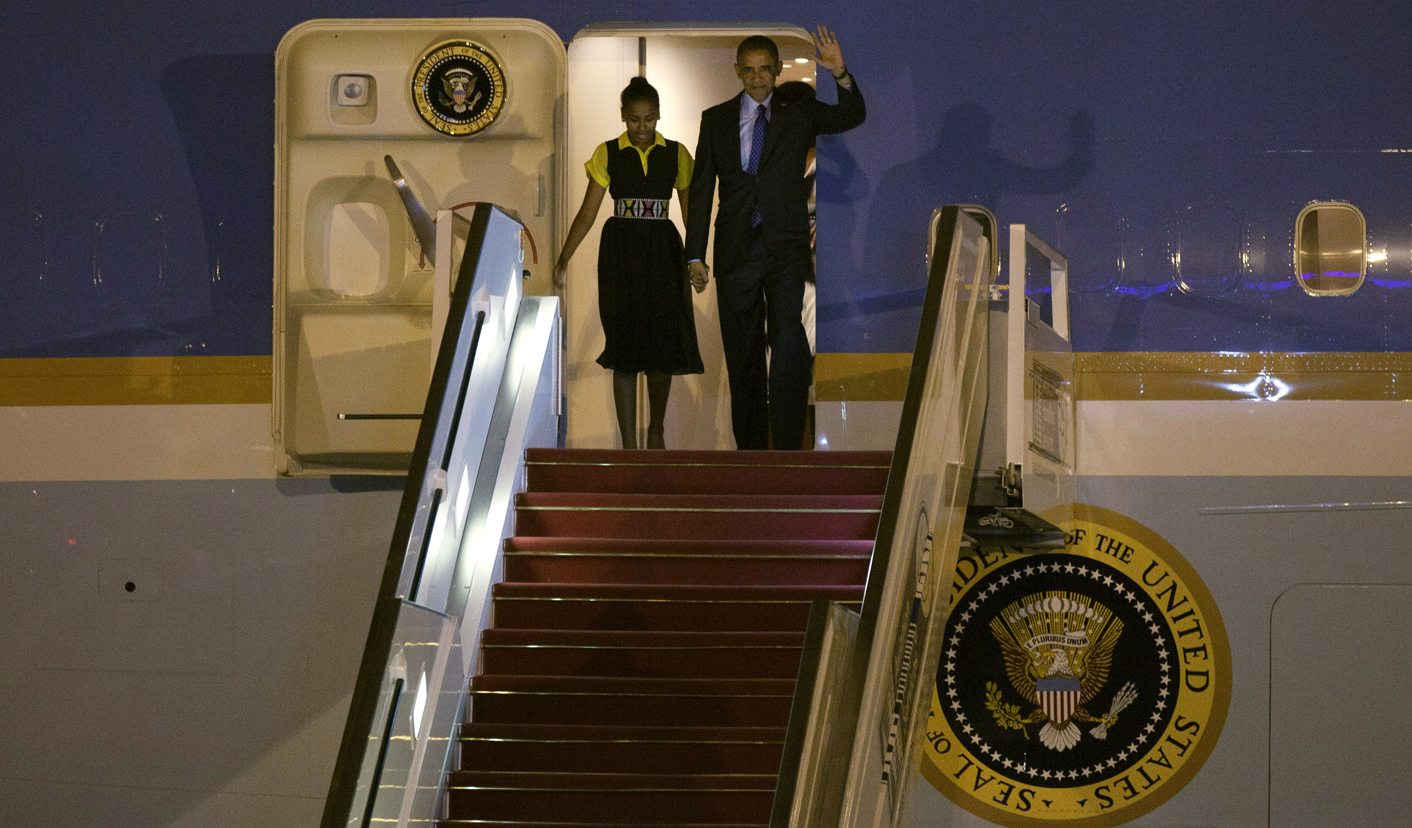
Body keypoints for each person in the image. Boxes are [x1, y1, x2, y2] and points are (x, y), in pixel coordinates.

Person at [685, 26, 865, 451]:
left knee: (788, 338)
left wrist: (840, 73)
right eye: (749, 71)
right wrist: (695, 254)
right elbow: (701, 188)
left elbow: (850, 116)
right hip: (735, 249)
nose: (757, 78)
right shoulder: (715, 120)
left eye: (765, 70)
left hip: (785, 246)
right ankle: (749, 449)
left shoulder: (798, 108)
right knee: (742, 351)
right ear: (737, 72)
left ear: (778, 69)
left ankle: (786, 445)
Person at [555, 76, 705, 449]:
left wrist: (697, 259)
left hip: (663, 248)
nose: (642, 127)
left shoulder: (676, 153)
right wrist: (563, 259)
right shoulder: (608, 152)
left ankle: (656, 430)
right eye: (635, 119)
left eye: (650, 119)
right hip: (620, 249)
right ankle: (627, 443)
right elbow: (588, 213)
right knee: (622, 340)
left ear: (659, 116)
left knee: (662, 341)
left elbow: (690, 211)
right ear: (623, 116)